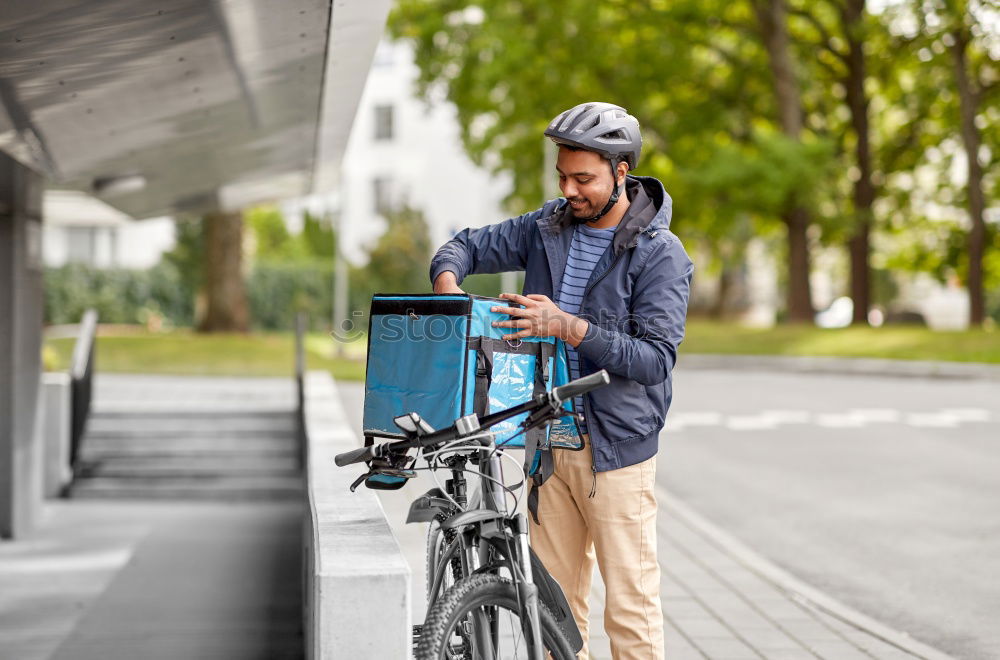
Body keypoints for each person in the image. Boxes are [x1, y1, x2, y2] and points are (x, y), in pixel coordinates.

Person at [430, 101, 693, 659]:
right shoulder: (546, 228)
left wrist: (568, 327)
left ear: (621, 172)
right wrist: (450, 287)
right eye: (563, 177)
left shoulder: (660, 254)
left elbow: (653, 359)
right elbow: (465, 245)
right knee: (552, 615)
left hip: (617, 451)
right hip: (547, 443)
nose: (570, 190)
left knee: (630, 609)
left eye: (584, 179)